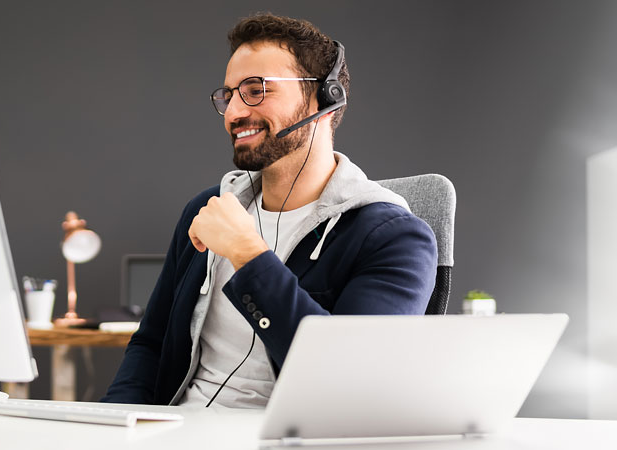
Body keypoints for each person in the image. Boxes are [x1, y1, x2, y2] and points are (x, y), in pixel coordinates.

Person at [102, 14, 437, 408]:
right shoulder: (211, 210)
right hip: (174, 432)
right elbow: (150, 344)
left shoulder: (393, 237)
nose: (233, 113)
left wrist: (248, 254)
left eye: (257, 90)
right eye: (229, 95)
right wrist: (115, 424)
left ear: (325, 98)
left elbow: (348, 382)